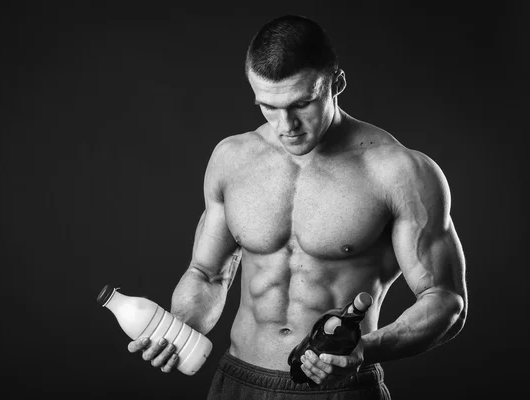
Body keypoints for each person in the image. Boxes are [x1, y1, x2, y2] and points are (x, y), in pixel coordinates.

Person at [127, 14, 468, 400]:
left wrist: (365, 350)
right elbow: (207, 274)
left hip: (340, 387)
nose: (286, 124)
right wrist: (180, 329)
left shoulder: (398, 172)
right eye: (267, 107)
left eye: (302, 103)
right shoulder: (232, 159)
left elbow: (446, 300)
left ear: (336, 83)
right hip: (239, 383)